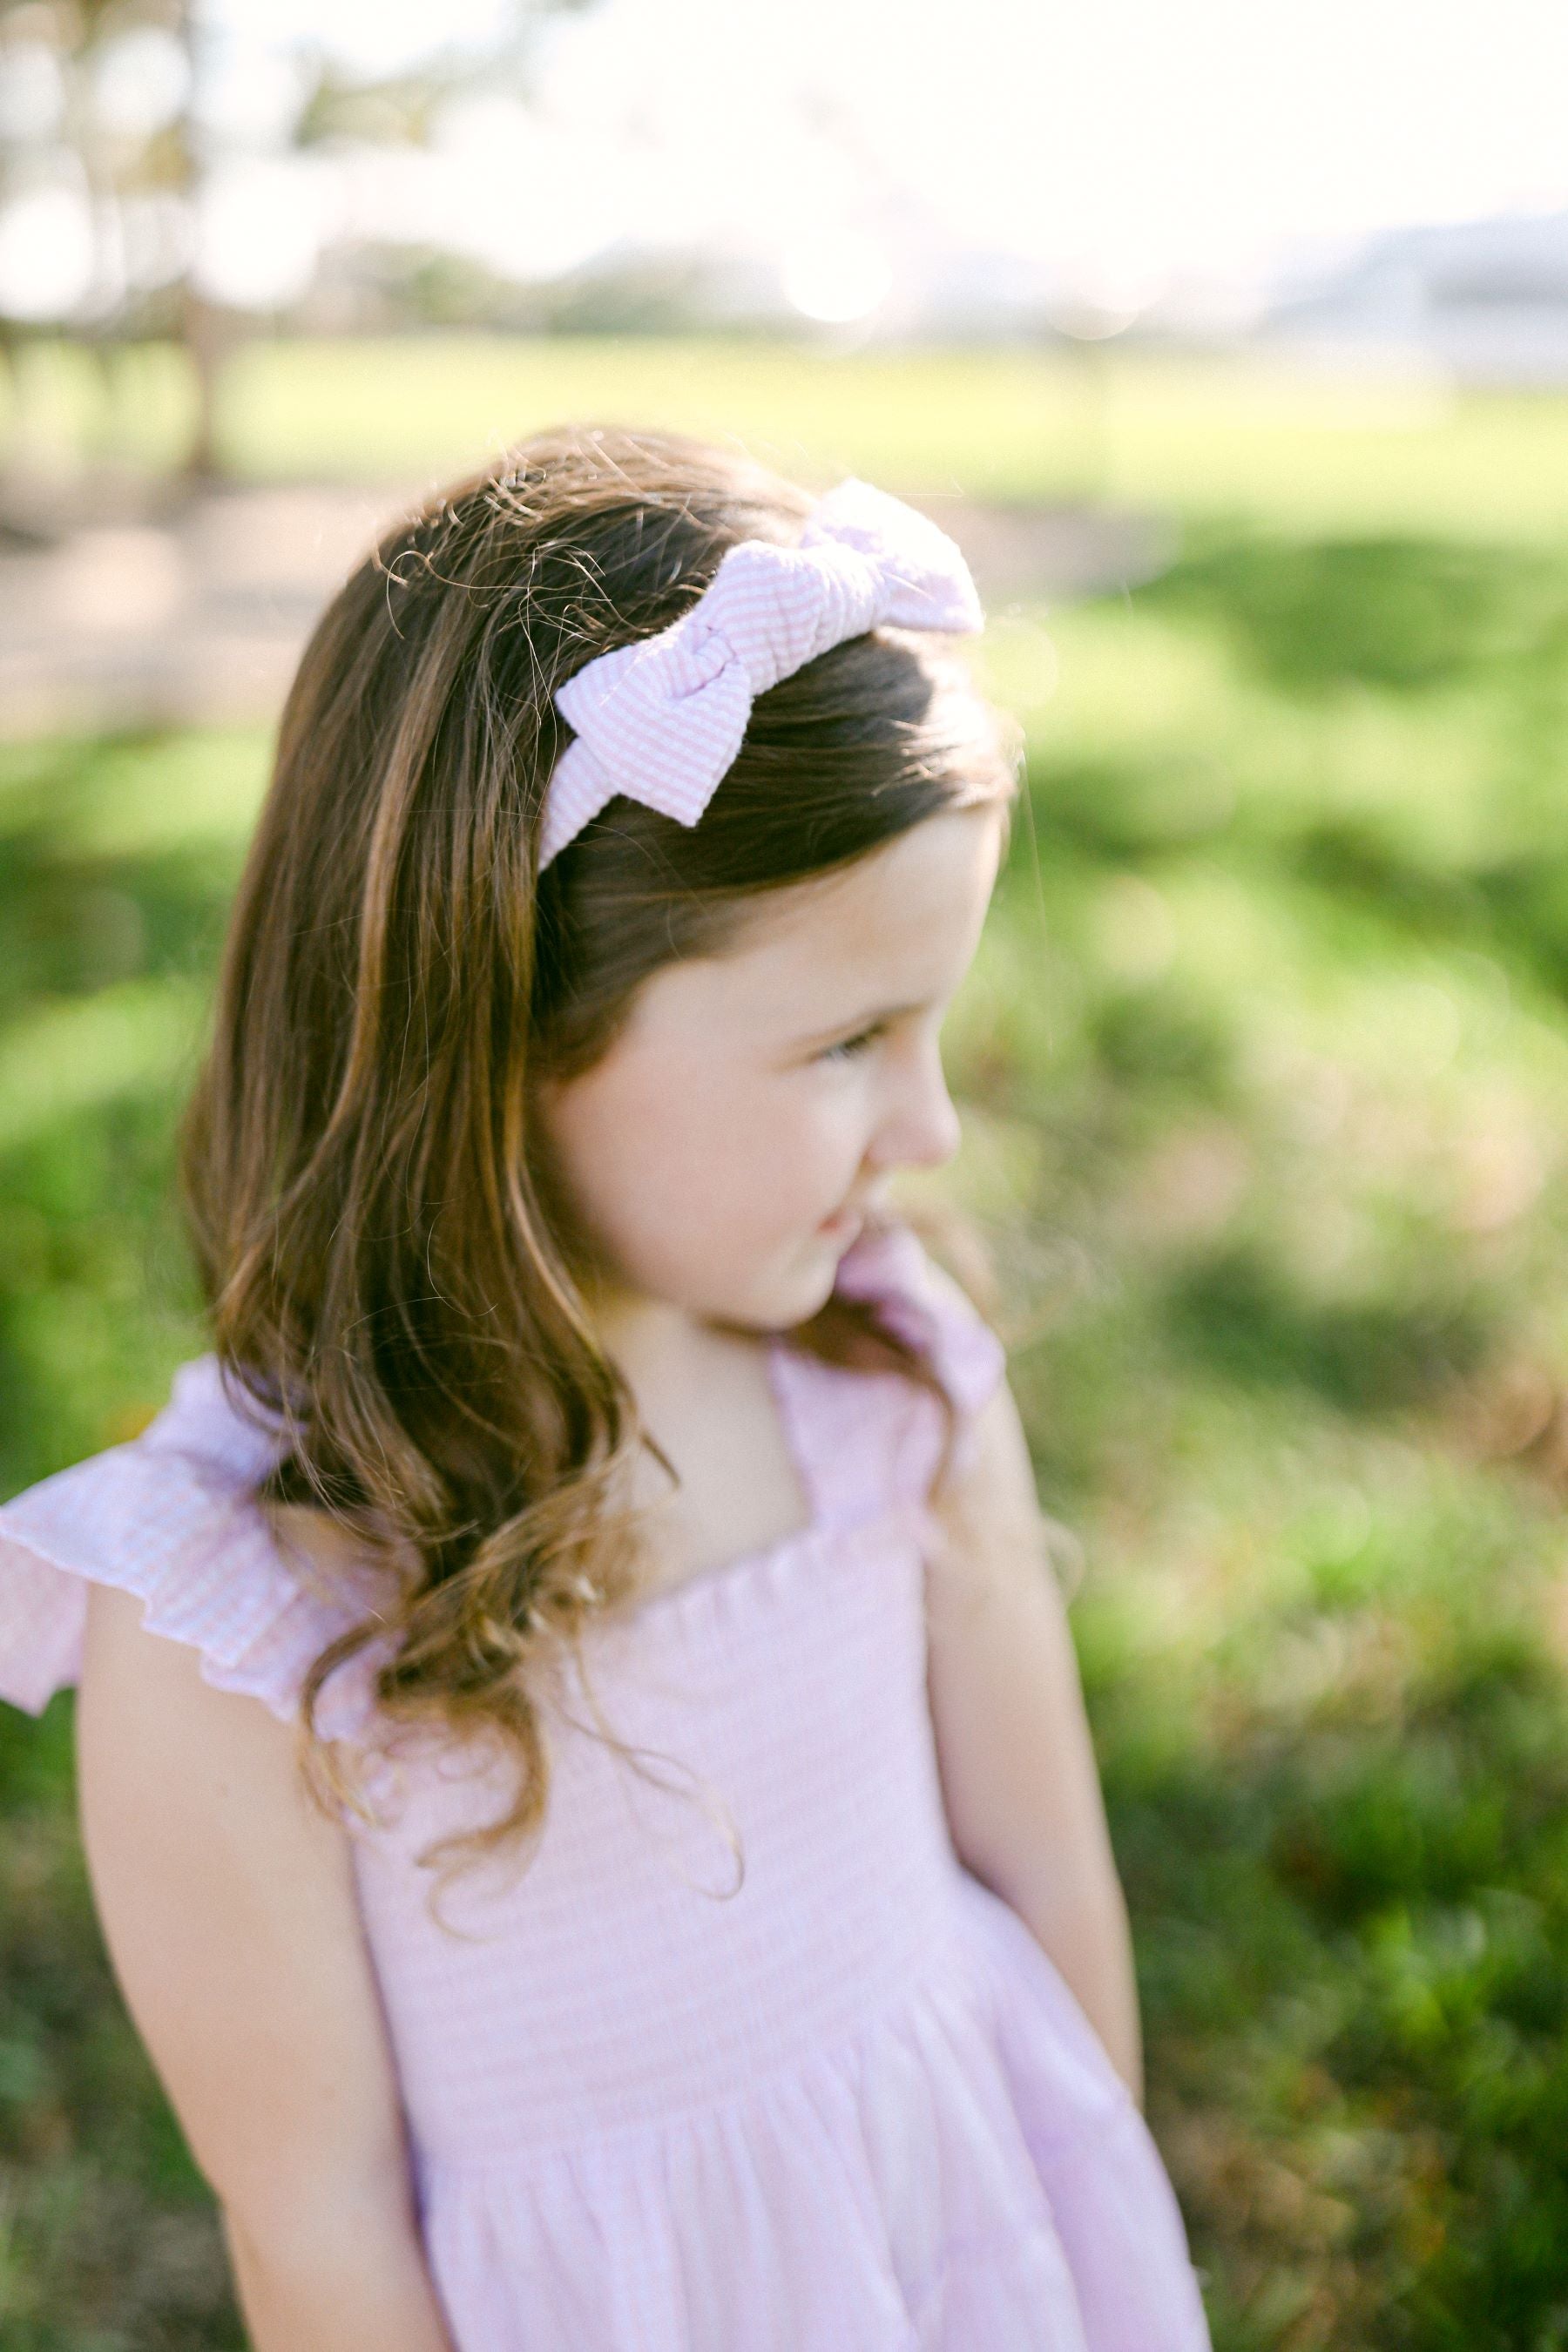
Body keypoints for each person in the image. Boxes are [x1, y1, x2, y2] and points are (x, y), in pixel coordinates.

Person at [0, 427, 1212, 2351]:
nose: (932, 1124)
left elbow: (1047, 1884)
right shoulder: (238, 1623)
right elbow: (318, 2227)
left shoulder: (888, 1382)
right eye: (846, 1042)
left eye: (936, 1028)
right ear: (500, 1021)